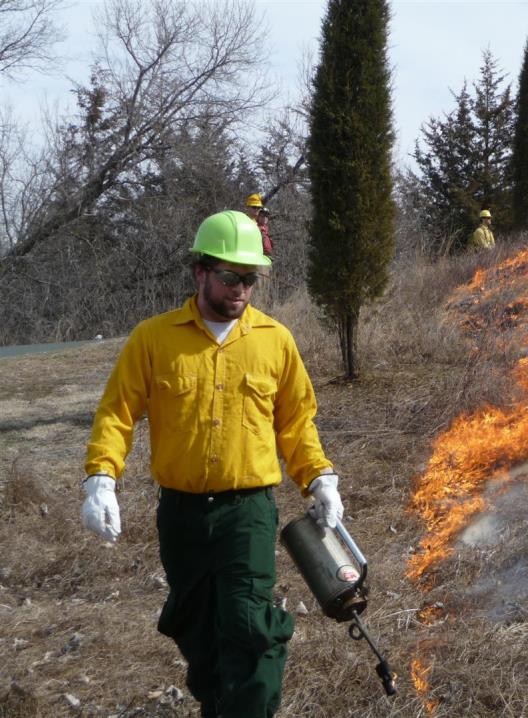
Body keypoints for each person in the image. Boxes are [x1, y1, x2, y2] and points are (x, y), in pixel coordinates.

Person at [81, 210, 343, 718]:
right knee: (195, 627)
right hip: (180, 514)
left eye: (251, 278)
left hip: (247, 511)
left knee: (250, 626)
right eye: (229, 277)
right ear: (200, 273)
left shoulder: (274, 340)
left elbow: (296, 423)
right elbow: (117, 412)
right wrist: (101, 478)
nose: (241, 289)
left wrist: (319, 478)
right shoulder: (154, 340)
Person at [244, 192, 273, 257]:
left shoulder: (260, 226)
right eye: (254, 207)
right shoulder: (243, 221)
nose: (257, 209)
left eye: (259, 207)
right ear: (247, 207)